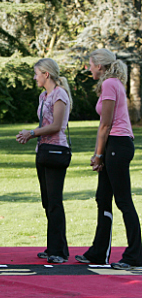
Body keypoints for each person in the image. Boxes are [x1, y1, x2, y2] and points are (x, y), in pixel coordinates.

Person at [74, 49, 142, 270]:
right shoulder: (111, 84)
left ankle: (135, 255)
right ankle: (98, 252)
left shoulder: (110, 84)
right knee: (103, 198)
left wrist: (98, 154)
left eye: (91, 64)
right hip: (115, 145)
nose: (89, 68)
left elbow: (106, 124)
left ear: (100, 66)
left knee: (123, 201)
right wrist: (100, 153)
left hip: (118, 145)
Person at [16, 58, 72, 264]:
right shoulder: (43, 95)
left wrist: (31, 133)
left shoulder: (59, 94)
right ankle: (55, 246)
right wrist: (32, 135)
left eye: (37, 73)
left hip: (56, 150)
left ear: (46, 74)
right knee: (47, 200)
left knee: (55, 201)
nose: (34, 77)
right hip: (44, 150)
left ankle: (58, 250)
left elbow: (57, 125)